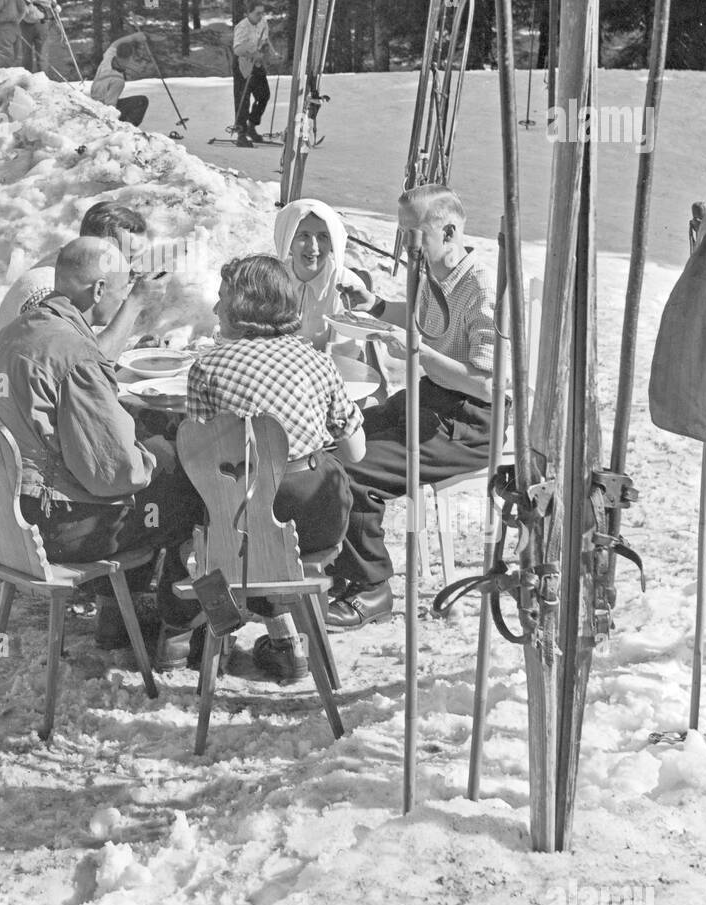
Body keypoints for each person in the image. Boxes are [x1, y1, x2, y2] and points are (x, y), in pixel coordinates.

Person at [0, 237, 202, 651]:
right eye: (121, 288)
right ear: (99, 292)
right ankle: (178, 628)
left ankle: (116, 615)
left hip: (8, 519)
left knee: (156, 471)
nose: (123, 296)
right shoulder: (77, 355)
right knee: (184, 489)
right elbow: (113, 476)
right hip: (62, 529)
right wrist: (152, 454)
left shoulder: (12, 336)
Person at [326, 184, 500, 629]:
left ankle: (373, 589)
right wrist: (378, 307)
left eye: (413, 233)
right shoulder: (438, 272)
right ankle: (341, 566)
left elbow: (487, 384)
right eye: (403, 232)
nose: (406, 245)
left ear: (449, 230)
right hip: (431, 401)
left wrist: (418, 354)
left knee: (356, 469)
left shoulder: (481, 286)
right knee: (335, 437)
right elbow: (425, 317)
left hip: (468, 423)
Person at [186, 256, 365, 681]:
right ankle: (284, 639)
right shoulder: (317, 360)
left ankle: (211, 630)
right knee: (266, 533)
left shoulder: (207, 368)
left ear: (245, 305)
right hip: (315, 517)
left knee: (198, 519)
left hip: (241, 523)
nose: (215, 309)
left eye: (222, 298)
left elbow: (196, 458)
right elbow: (355, 451)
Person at [0, 201, 151, 358]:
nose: (129, 268)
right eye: (126, 257)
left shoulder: (71, 270)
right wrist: (135, 303)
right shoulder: (47, 289)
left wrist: (128, 349)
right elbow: (80, 364)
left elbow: (79, 350)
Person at [273, 198, 370, 349]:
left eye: (322, 237)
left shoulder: (349, 286)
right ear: (288, 239)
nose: (313, 247)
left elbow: (346, 352)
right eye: (304, 235)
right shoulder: (272, 279)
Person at [231, 1, 275, 147]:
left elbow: (265, 40)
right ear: (248, 13)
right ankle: (241, 133)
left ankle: (252, 125)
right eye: (257, 13)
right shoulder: (242, 27)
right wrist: (252, 52)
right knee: (243, 99)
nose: (261, 16)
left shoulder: (263, 23)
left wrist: (273, 54)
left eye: (262, 13)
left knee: (263, 95)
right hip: (242, 64)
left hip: (256, 63)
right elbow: (237, 50)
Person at [89, 31, 150, 127]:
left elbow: (115, 44)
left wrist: (134, 37)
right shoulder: (118, 81)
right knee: (142, 101)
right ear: (129, 58)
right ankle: (127, 129)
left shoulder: (107, 60)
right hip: (101, 110)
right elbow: (110, 107)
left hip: (91, 103)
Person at [20, 0, 59, 75]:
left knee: (26, 54)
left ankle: (27, 78)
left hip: (25, 26)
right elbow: (55, 8)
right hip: (41, 25)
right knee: (42, 54)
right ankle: (43, 78)